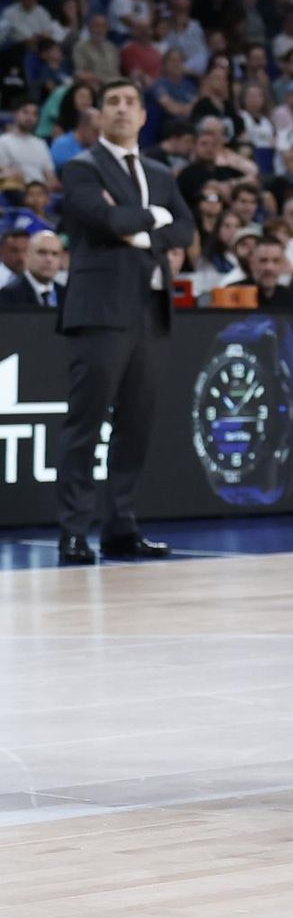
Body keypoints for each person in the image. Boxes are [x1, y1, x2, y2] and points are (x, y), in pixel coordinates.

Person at [55, 76, 196, 564]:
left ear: (142, 115)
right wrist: (151, 221)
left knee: (135, 427)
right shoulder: (81, 167)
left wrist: (142, 226)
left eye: (129, 102)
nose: (121, 108)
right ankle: (73, 532)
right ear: (96, 115)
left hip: (150, 311)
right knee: (85, 426)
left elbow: (186, 227)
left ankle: (121, 527)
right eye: (111, 102)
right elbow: (103, 219)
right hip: (100, 310)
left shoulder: (160, 172)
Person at [0, 227, 65, 310]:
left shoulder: (67, 294)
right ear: (27, 255)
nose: (49, 259)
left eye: (55, 254)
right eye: (42, 252)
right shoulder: (8, 295)